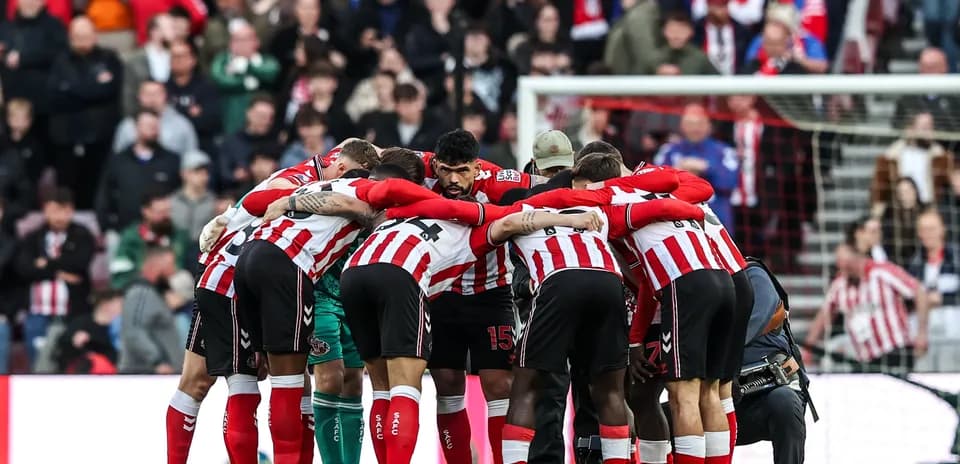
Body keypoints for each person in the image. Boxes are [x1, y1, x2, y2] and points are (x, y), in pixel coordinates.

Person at [167, 140, 380, 464]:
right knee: (255, 382)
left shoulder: (307, 176)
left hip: (225, 268)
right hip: (244, 273)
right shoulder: (307, 179)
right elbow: (261, 201)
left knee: (215, 381)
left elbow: (254, 201)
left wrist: (227, 216)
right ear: (339, 165)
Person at [231, 161, 444, 464]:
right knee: (327, 378)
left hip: (351, 299)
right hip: (317, 295)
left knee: (354, 383)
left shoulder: (394, 213)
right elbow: (255, 201)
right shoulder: (359, 196)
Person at [578, 152, 736, 464]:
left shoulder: (617, 207)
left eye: (586, 189)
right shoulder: (657, 188)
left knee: (682, 395)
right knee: (711, 392)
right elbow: (687, 188)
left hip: (686, 284)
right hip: (724, 280)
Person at [805, 243, 930, 371]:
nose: (844, 270)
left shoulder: (883, 272)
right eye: (841, 266)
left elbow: (919, 292)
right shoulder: (840, 284)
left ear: (858, 258)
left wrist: (922, 333)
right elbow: (824, 315)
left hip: (895, 349)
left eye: (848, 265)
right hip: (864, 358)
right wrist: (808, 348)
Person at [734, 258, 810, 464]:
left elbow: (759, 316)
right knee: (667, 417)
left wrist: (722, 361)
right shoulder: (690, 285)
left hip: (769, 389)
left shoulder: (752, 273)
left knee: (784, 401)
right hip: (716, 398)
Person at [47, 16, 123, 209]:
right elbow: (55, 95)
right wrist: (94, 87)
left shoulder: (109, 58)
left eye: (86, 35)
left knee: (97, 187)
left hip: (100, 138)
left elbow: (110, 90)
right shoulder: (59, 60)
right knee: (66, 190)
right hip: (67, 137)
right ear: (70, 37)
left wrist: (73, 89)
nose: (81, 40)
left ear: (95, 36)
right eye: (77, 36)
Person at [15, 188, 95, 366]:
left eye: (63, 210)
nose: (59, 216)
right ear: (45, 210)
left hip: (72, 312)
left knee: (70, 363)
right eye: (54, 210)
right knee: (38, 365)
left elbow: (80, 263)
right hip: (38, 311)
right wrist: (60, 272)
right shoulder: (33, 238)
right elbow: (24, 268)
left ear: (71, 210)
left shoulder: (82, 235)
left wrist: (46, 264)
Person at [655, 103, 739, 234]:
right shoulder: (668, 151)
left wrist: (706, 168)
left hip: (717, 222)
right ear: (681, 125)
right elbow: (655, 184)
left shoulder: (723, 151)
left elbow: (729, 183)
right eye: (690, 123)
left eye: (699, 123)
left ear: (709, 125)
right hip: (677, 223)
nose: (695, 128)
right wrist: (678, 172)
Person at [95, 110, 181, 233]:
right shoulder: (119, 160)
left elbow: (178, 195)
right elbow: (104, 195)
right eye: (148, 126)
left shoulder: (171, 160)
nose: (153, 130)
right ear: (136, 128)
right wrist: (106, 226)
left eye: (156, 126)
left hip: (163, 232)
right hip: (123, 230)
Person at [906, 210, 960, 372]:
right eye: (923, 229)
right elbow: (907, 299)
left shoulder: (956, 259)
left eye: (931, 229)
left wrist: (943, 299)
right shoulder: (914, 264)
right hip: (923, 337)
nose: (927, 234)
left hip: (953, 336)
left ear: (942, 230)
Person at [118, 246, 185, 374]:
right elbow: (134, 331)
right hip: (144, 374)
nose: (173, 270)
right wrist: (157, 362)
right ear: (156, 266)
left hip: (155, 374)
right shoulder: (140, 293)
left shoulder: (153, 294)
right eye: (170, 265)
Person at [0, 0, 68, 122]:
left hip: (45, 104)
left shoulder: (55, 25)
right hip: (12, 104)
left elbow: (61, 55)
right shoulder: (6, 27)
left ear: (43, 2)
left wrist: (24, 59)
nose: (30, 2)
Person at [110, 190, 191, 289]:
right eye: (161, 212)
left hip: (175, 291)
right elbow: (119, 278)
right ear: (146, 211)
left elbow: (190, 268)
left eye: (168, 211)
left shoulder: (179, 235)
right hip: (141, 289)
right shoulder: (131, 238)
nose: (166, 216)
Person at [210, 19, 280, 134]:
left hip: (263, 122)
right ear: (231, 43)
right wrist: (245, 83)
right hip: (231, 118)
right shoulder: (222, 60)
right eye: (237, 40)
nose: (242, 44)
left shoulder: (265, 60)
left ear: (256, 41)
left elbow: (271, 73)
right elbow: (220, 79)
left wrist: (248, 66)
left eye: (246, 39)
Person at [166, 39, 222, 159]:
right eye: (173, 56)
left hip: (202, 147)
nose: (177, 60)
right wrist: (190, 113)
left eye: (181, 56)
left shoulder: (207, 87)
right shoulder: (163, 88)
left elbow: (211, 122)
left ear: (193, 60)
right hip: (169, 148)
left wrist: (178, 114)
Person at [113, 80, 199, 156]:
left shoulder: (182, 124)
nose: (152, 98)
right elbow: (118, 158)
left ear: (165, 95)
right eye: (147, 94)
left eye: (157, 93)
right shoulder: (127, 125)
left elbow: (192, 158)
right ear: (139, 97)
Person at [55, 289, 123, 373]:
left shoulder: (119, 328)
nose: (124, 308)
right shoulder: (81, 322)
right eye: (120, 304)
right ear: (105, 304)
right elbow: (63, 344)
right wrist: (74, 340)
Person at [218, 95, 278, 189]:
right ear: (248, 113)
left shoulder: (276, 143)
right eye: (260, 115)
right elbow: (222, 173)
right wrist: (237, 176)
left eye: (269, 117)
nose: (265, 121)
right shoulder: (232, 142)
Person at [121, 13, 175, 116]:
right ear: (154, 31)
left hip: (170, 115)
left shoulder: (175, 56)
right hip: (143, 117)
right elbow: (129, 95)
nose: (174, 31)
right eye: (170, 27)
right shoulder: (134, 60)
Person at [170, 150, 216, 241]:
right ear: (184, 173)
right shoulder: (171, 202)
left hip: (203, 251)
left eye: (206, 172)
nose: (204, 176)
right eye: (197, 172)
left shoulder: (214, 202)